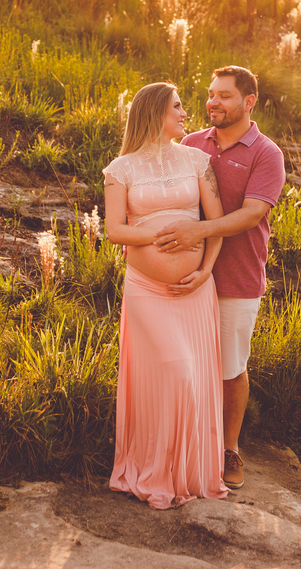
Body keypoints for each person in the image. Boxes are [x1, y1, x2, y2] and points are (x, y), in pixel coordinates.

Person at [153, 66, 285, 490]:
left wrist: (200, 231)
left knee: (230, 369)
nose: (212, 102)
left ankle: (230, 448)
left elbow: (252, 214)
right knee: (185, 365)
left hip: (238, 279)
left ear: (249, 102)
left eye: (224, 96)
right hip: (187, 276)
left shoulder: (267, 153)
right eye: (210, 94)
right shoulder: (191, 144)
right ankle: (186, 444)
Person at [103, 82, 229, 509]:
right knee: (176, 374)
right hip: (147, 290)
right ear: (156, 111)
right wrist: (156, 234)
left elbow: (216, 223)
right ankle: (156, 470)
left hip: (194, 290)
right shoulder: (120, 168)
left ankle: (187, 476)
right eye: (177, 106)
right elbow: (114, 230)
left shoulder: (198, 161)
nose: (184, 112)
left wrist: (205, 272)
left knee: (193, 380)